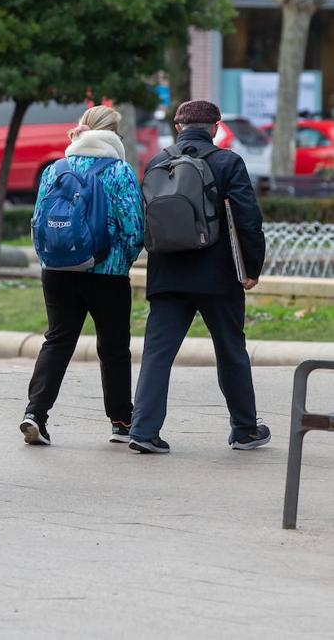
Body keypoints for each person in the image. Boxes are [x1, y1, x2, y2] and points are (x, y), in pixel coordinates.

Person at [129, 100, 268, 454]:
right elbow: (248, 219)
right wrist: (251, 268)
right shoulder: (227, 162)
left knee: (157, 354)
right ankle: (245, 430)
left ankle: (143, 431)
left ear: (178, 127)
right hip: (217, 276)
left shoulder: (158, 162)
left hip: (167, 274)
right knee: (231, 351)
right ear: (216, 127)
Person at [21, 106, 144, 446]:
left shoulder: (55, 168)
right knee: (115, 347)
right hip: (107, 272)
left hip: (58, 269)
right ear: (115, 134)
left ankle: (35, 414)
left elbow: (38, 221)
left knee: (57, 340)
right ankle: (121, 420)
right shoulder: (119, 170)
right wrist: (123, 261)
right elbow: (134, 227)